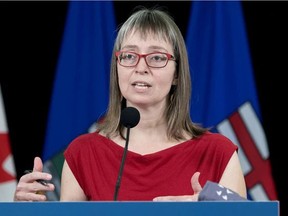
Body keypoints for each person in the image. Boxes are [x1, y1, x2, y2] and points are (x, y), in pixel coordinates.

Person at [14, 6, 247, 202]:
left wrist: (212, 204)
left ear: (177, 73)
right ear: (116, 68)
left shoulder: (218, 153)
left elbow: (249, 214)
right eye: (129, 56)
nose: (141, 67)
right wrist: (25, 212)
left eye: (156, 57)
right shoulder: (83, 154)